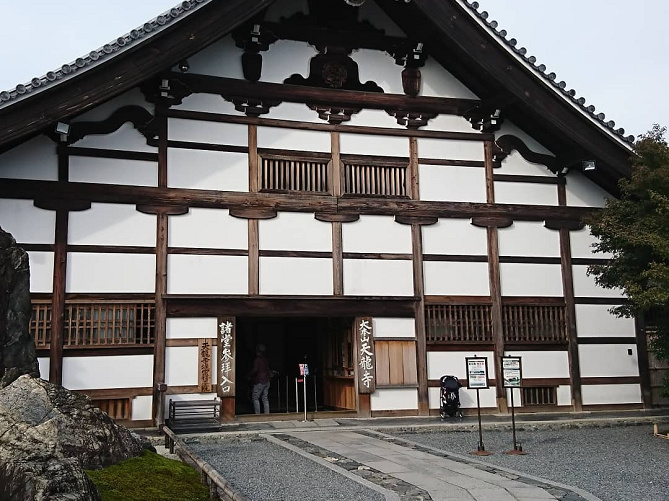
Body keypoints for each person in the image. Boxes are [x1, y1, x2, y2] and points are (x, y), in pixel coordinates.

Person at [250, 344, 271, 414]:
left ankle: (257, 414)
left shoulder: (257, 360)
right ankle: (267, 414)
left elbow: (255, 369)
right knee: (265, 398)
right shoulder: (265, 360)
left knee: (255, 398)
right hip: (266, 380)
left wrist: (248, 374)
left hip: (259, 380)